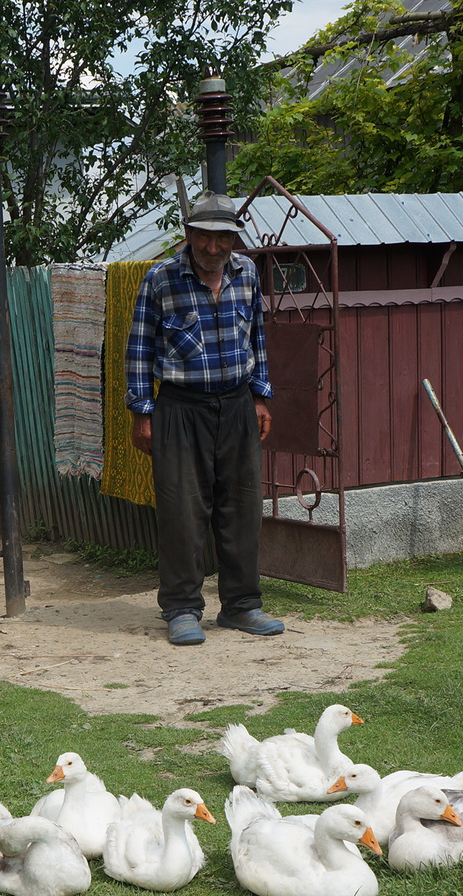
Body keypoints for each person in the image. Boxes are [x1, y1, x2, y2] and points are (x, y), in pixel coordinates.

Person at [125, 193, 285, 646]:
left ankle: (241, 606)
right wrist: (141, 412)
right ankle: (181, 608)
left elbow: (257, 337)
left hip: (237, 404)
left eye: (222, 238)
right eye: (203, 236)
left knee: (242, 507)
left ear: (233, 239)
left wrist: (260, 397)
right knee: (182, 510)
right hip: (179, 407)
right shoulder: (160, 278)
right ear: (189, 235)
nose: (212, 247)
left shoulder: (248, 273)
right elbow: (138, 349)